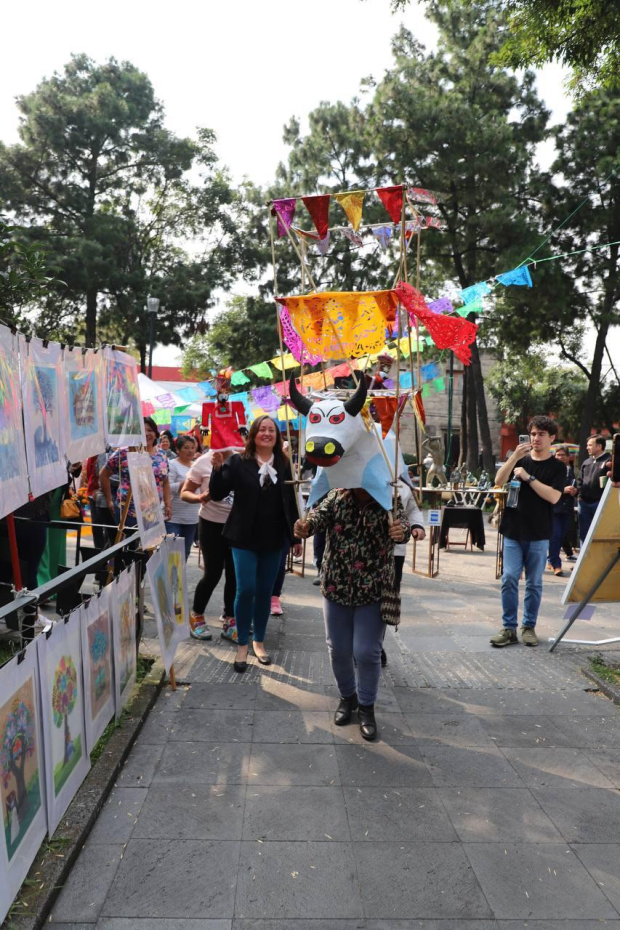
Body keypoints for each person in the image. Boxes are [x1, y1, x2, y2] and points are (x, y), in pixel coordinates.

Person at [294, 489, 411, 740]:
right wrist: (304, 527)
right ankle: (348, 698)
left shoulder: (388, 497)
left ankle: (367, 708)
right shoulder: (336, 496)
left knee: (367, 652)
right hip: (336, 586)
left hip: (374, 589)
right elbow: (316, 518)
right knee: (338, 649)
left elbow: (403, 527)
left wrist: (402, 532)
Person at [209, 415, 299, 672]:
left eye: (271, 430)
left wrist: (295, 536)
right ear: (253, 434)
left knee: (264, 591)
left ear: (277, 435)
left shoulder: (284, 464)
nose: (267, 434)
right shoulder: (238, 461)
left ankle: (259, 641)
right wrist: (217, 469)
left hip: (274, 537)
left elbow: (291, 501)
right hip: (243, 537)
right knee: (245, 589)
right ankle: (242, 644)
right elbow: (217, 493)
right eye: (262, 429)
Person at [491, 416, 565, 648]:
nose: (536, 438)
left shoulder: (557, 467)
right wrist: (513, 457)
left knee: (534, 583)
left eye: (541, 434)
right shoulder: (519, 460)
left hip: (539, 532)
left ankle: (529, 626)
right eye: (533, 434)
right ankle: (509, 628)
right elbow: (498, 481)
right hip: (513, 530)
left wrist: (528, 477)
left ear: (551, 438)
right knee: (509, 578)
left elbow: (554, 496)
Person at [181, 447, 236, 641]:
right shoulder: (204, 461)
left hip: (238, 526)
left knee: (235, 574)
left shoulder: (245, 457)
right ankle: (197, 615)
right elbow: (185, 493)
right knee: (213, 573)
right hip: (211, 524)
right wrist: (199, 497)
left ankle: (231, 620)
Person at [99, 417, 172, 532]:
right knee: (129, 547)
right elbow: (103, 474)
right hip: (128, 511)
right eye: (142, 431)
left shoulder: (162, 455)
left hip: (153, 512)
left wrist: (168, 505)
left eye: (150, 430)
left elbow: (166, 481)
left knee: (150, 548)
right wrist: (109, 500)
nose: (146, 434)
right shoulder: (123, 452)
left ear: (155, 434)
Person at [165, 435, 199, 560]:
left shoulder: (197, 466)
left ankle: (178, 580)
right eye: (186, 448)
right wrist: (184, 484)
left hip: (192, 518)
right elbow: (167, 487)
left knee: (185, 553)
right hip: (173, 517)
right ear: (178, 450)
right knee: (172, 554)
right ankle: (169, 579)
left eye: (192, 448)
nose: (190, 451)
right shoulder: (172, 465)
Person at [547, 445, 577, 577]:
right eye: (558, 455)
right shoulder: (550, 469)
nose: (560, 457)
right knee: (556, 536)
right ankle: (556, 564)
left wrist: (575, 491)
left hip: (567, 508)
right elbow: (547, 487)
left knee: (561, 536)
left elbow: (576, 485)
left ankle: (550, 559)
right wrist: (563, 490)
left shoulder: (571, 470)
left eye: (563, 455)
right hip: (554, 508)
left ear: (568, 457)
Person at [577, 435, 611, 543]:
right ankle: (584, 559)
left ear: (599, 446)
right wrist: (579, 495)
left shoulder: (609, 461)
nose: (587, 447)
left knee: (599, 534)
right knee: (584, 534)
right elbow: (579, 480)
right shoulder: (586, 462)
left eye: (590, 445)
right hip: (584, 504)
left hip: (600, 503)